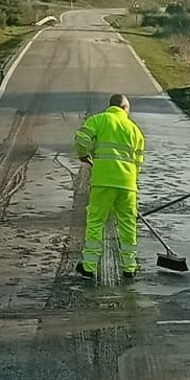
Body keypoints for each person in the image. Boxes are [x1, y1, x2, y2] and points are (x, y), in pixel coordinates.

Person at [73, 92, 146, 280]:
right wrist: (132, 179)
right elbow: (138, 161)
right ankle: (129, 267)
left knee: (96, 222)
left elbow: (81, 138)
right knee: (128, 225)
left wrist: (84, 155)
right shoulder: (135, 129)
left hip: (103, 182)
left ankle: (89, 267)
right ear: (125, 108)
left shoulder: (98, 120)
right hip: (128, 185)